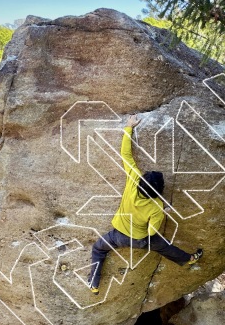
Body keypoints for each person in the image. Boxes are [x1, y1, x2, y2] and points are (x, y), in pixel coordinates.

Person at [87, 114, 203, 294]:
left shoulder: (133, 180)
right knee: (164, 246)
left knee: (98, 249)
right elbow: (151, 232)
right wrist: (163, 212)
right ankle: (189, 259)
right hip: (141, 239)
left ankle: (94, 284)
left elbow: (125, 155)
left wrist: (129, 127)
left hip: (118, 235)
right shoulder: (156, 206)